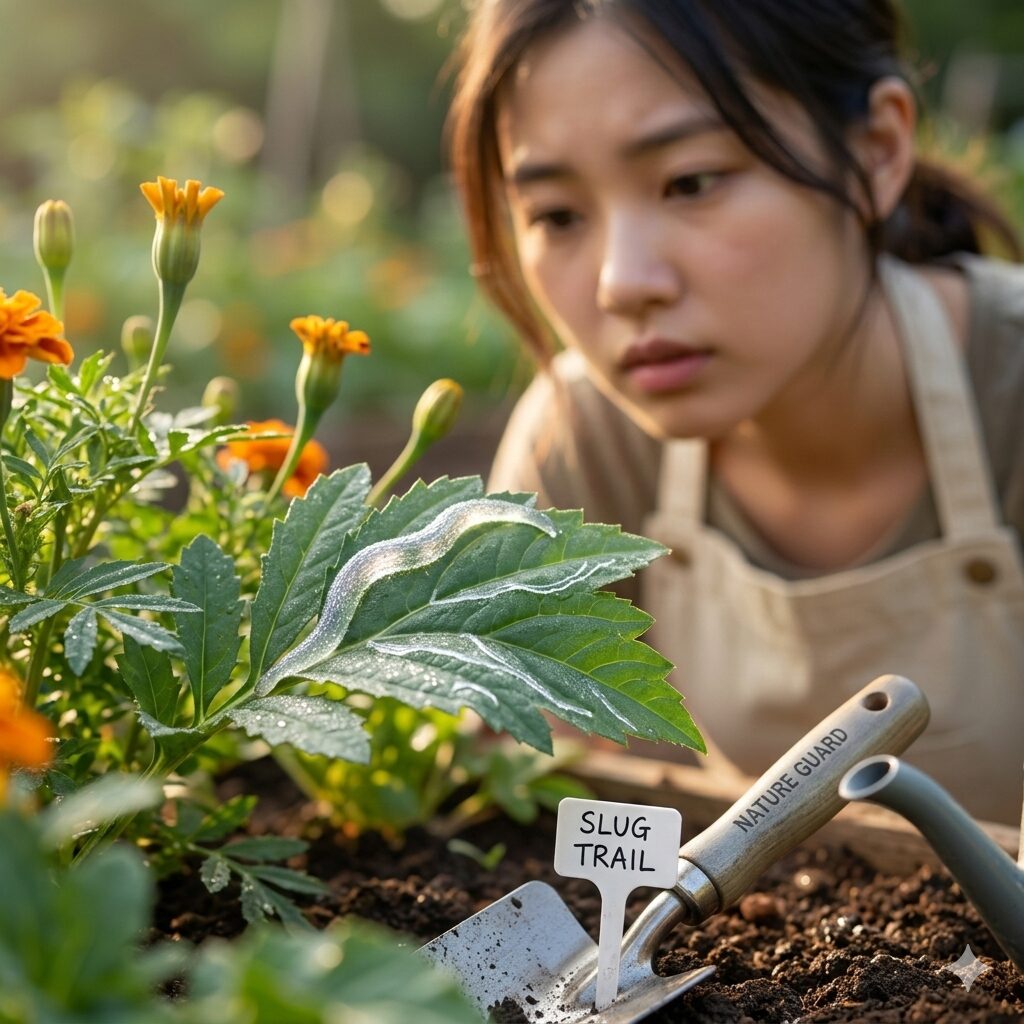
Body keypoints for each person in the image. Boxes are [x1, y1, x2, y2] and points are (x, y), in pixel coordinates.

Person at [445, 0, 1024, 825]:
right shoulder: (587, 442)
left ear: (878, 148)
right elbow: (504, 795)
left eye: (691, 181)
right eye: (557, 216)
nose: (622, 282)